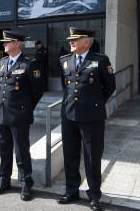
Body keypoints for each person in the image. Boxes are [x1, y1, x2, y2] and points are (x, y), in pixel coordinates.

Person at [57, 27, 116, 211]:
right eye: (70, 40)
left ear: (87, 42)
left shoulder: (100, 60)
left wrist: (94, 104)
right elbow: (65, 86)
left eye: (75, 39)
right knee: (70, 155)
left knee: (92, 157)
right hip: (69, 116)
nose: (71, 42)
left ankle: (94, 195)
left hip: (92, 117)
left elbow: (110, 87)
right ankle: (71, 191)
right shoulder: (65, 61)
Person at [0, 31, 45, 201]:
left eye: (7, 42)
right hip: (3, 115)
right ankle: (4, 181)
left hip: (20, 115)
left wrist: (26, 108)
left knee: (22, 152)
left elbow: (37, 90)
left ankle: (25, 184)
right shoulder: (2, 63)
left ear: (17, 43)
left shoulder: (28, 65)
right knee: (4, 150)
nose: (3, 44)